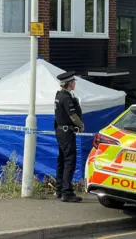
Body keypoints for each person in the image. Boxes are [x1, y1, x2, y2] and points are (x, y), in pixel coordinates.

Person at [54, 71, 84, 202]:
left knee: (62, 160)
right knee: (69, 161)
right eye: (73, 82)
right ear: (69, 84)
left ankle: (59, 189)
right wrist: (81, 125)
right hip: (67, 133)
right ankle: (67, 192)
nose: (74, 84)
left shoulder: (58, 95)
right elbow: (73, 116)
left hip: (60, 131)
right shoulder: (66, 98)